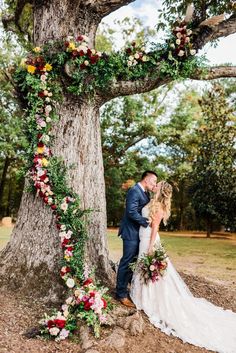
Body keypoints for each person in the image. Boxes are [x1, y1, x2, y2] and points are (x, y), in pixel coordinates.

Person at [130, 181, 236, 353]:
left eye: (157, 184)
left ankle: (148, 299)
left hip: (149, 241)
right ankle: (144, 295)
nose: (154, 185)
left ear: (160, 190)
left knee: (150, 269)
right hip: (143, 238)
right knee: (146, 268)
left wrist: (150, 248)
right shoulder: (152, 202)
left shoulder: (158, 207)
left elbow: (155, 227)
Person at [116, 171, 158, 307]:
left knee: (133, 262)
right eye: (153, 182)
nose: (155, 185)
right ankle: (121, 294)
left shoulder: (145, 192)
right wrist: (147, 222)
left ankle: (127, 288)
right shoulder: (134, 190)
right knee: (126, 261)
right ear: (146, 179)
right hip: (130, 233)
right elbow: (131, 211)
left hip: (138, 233)